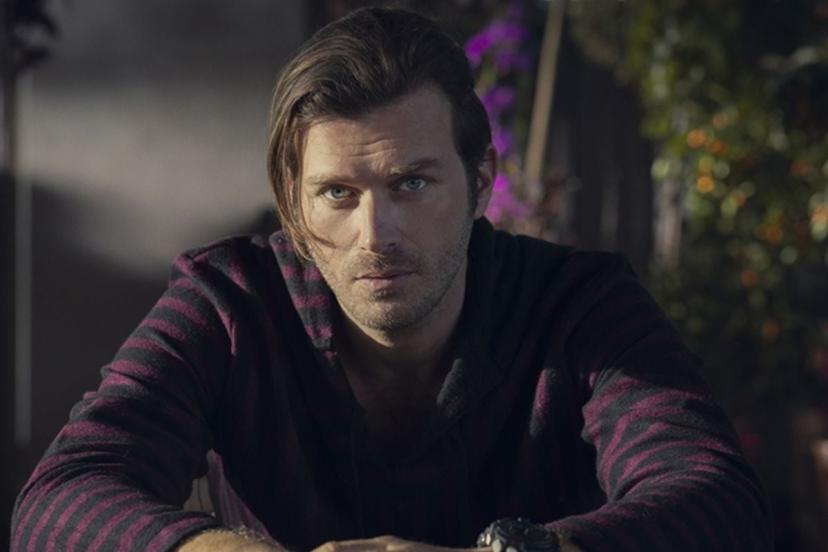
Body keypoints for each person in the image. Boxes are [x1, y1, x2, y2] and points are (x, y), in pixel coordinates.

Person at [11, 7, 772, 552]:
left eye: (412, 184)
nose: (376, 235)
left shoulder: (580, 304)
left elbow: (716, 499)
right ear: (294, 205)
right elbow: (61, 499)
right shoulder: (230, 302)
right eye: (338, 193)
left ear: (481, 181)